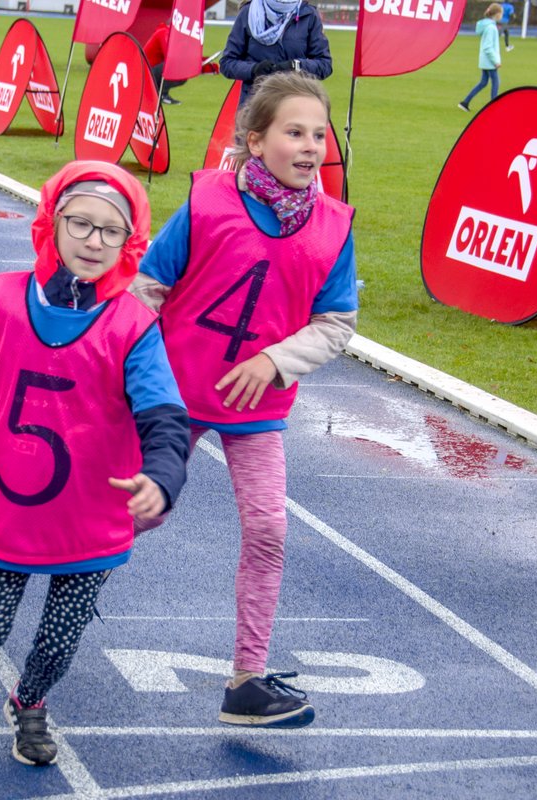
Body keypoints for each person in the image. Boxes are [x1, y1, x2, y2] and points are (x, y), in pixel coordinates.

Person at [0, 161, 190, 766]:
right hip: (11, 504)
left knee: (61, 637)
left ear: (130, 241)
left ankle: (30, 701)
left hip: (91, 513)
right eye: (80, 223)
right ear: (50, 224)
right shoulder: (1, 297)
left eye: (112, 231)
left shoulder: (134, 326)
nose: (93, 241)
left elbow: (164, 413)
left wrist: (162, 476)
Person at [130, 71, 358, 728]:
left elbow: (336, 323)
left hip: (256, 408)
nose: (311, 145)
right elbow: (149, 286)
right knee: (143, 512)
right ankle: (67, 578)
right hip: (172, 396)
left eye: (320, 133)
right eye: (295, 132)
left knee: (268, 530)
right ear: (255, 141)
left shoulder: (333, 226)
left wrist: (275, 360)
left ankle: (247, 680)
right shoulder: (206, 203)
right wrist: (130, 369)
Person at [219, 0, 332, 109]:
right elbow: (227, 63)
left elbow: (324, 65)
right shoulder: (248, 12)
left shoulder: (309, 15)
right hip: (255, 106)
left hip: (295, 105)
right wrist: (254, 69)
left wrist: (296, 66)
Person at [143, 20, 220, 106]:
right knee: (179, 69)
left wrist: (212, 67)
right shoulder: (164, 33)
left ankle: (159, 94)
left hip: (150, 72)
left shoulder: (173, 35)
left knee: (181, 69)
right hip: (145, 74)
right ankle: (162, 94)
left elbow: (189, 58)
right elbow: (172, 58)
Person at [458, 4, 503, 113]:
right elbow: (488, 47)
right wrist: (495, 61)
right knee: (496, 82)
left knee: (483, 82)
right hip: (489, 61)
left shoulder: (488, 26)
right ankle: (493, 106)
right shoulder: (491, 28)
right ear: (497, 14)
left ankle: (465, 102)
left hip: (485, 61)